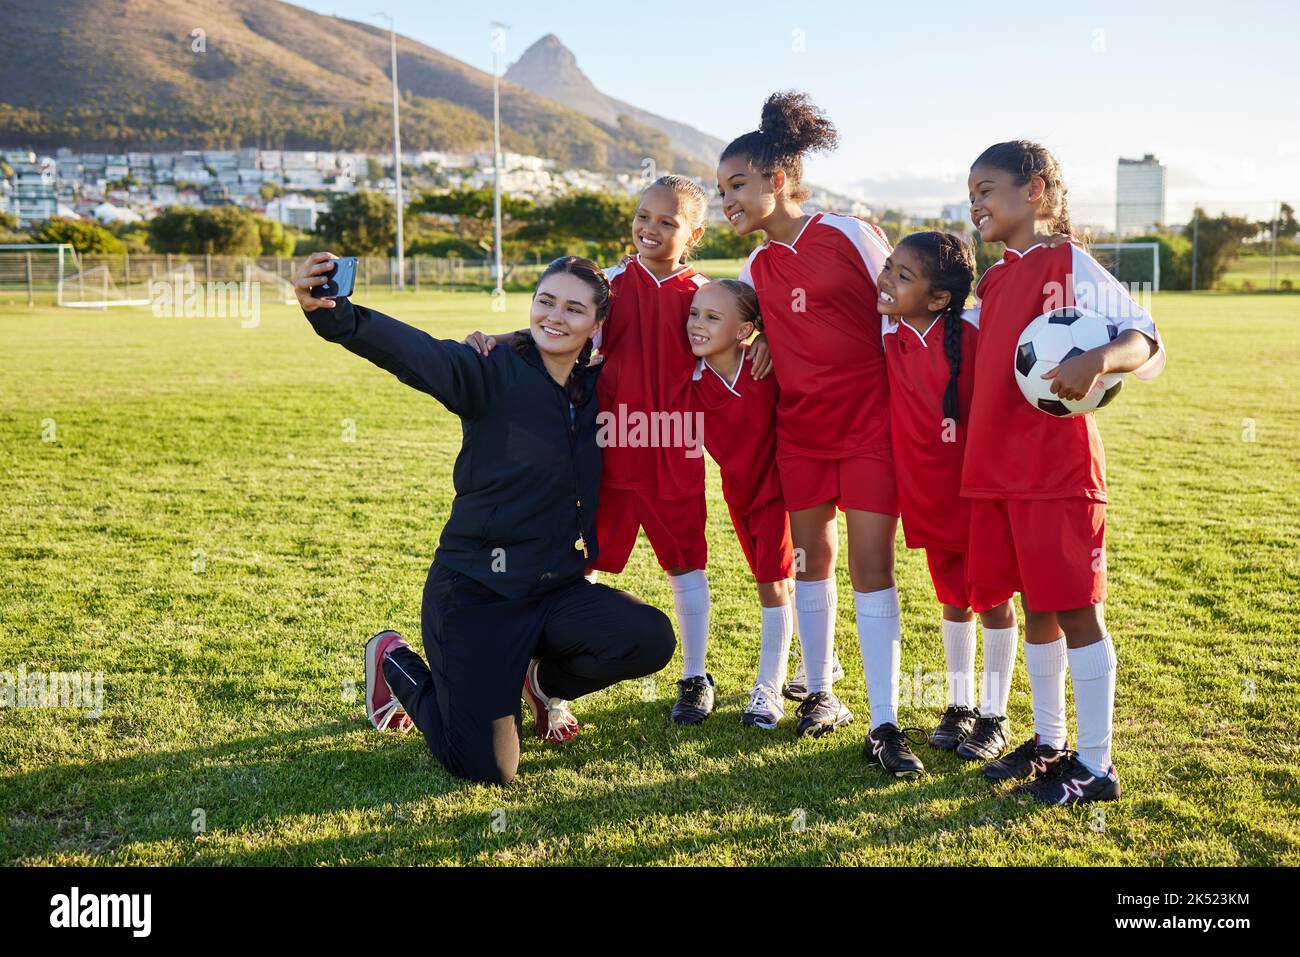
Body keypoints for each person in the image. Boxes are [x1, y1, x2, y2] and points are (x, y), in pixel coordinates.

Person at [294, 252, 675, 786]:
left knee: (648, 637)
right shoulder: (487, 370)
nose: (555, 317)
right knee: (487, 769)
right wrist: (335, 315)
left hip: (554, 590)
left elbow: (681, 342)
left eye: (573, 308)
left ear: (597, 323)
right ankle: (392, 661)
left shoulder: (601, 387)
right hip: (475, 596)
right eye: (545, 301)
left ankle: (541, 683)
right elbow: (416, 353)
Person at [466, 175, 770, 727]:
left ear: (694, 232)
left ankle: (695, 676)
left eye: (667, 221)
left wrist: (764, 335)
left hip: (674, 457)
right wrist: (500, 339)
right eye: (643, 216)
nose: (649, 229)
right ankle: (551, 686)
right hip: (604, 455)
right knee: (581, 571)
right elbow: (556, 326)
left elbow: (745, 328)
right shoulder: (610, 284)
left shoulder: (703, 296)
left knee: (688, 568)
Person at [719, 91, 922, 777]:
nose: (728, 200)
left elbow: (902, 308)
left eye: (738, 185)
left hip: (870, 429)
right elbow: (727, 316)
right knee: (812, 560)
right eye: (721, 190)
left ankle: (886, 722)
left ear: (777, 181)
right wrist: (768, 331)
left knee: (873, 568)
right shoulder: (755, 269)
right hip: (800, 435)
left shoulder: (848, 233)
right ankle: (823, 693)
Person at [962, 141, 1165, 803]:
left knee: (1076, 609)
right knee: (1037, 606)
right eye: (972, 193)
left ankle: (1097, 767)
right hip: (999, 470)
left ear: (1037, 191)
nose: (976, 203)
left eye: (987, 189)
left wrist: (1100, 357)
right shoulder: (994, 278)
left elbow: (1144, 335)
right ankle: (1050, 744)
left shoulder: (1067, 262)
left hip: (1057, 470)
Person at [876, 231, 1019, 755]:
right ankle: (959, 703)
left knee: (992, 598)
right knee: (953, 597)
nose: (887, 279)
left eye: (903, 275)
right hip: (927, 492)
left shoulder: (977, 329)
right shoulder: (887, 330)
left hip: (980, 491)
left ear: (939, 298)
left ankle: (995, 713)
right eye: (888, 266)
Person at [685, 279, 796, 729]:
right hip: (739, 493)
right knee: (778, 582)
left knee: (773, 585)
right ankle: (820, 658)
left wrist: (769, 336)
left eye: (712, 317)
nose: (696, 324)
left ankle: (768, 690)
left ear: (744, 329)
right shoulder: (690, 378)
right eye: (694, 313)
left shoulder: (764, 364)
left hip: (781, 491)